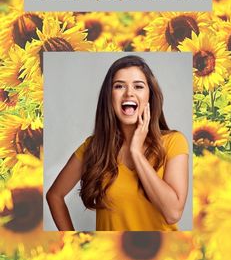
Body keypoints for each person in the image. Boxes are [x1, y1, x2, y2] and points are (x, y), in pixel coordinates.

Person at [46, 55, 189, 231]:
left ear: (149, 96)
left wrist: (136, 153)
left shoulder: (174, 142)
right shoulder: (94, 147)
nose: (129, 93)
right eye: (119, 86)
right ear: (109, 97)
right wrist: (72, 245)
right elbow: (54, 195)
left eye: (138, 86)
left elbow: (173, 213)